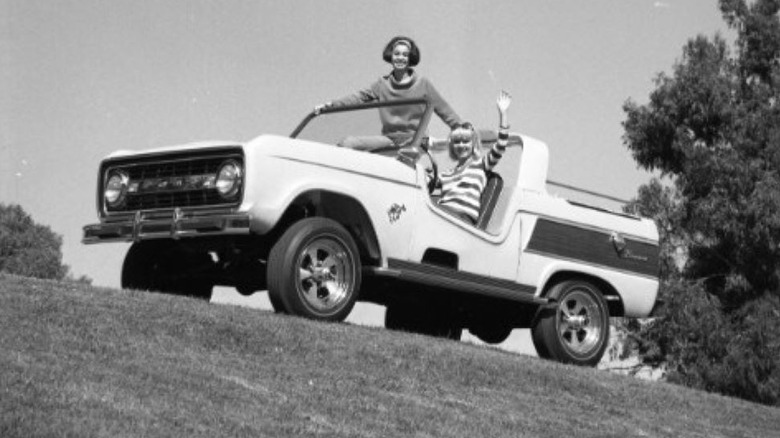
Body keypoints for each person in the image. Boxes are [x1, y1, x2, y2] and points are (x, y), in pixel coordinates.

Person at [313, 36, 462, 153]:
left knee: (407, 155)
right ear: (391, 56)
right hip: (389, 139)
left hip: (415, 140)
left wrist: (461, 128)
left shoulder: (423, 84)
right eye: (397, 54)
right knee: (347, 143)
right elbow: (357, 98)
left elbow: (444, 109)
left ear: (410, 58)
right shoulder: (382, 84)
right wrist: (330, 105)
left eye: (405, 55)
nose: (400, 58)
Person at [435, 90, 513, 225]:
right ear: (452, 146)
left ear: (473, 144)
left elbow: (501, 145)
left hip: (462, 221)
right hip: (442, 216)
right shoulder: (445, 175)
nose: (461, 145)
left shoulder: (481, 165)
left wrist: (503, 113)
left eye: (465, 141)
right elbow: (424, 182)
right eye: (457, 141)